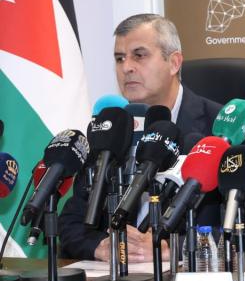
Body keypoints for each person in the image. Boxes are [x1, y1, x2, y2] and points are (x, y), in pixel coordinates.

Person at [59, 14, 222, 262]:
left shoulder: (217, 128)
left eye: (139, 55)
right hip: (117, 278)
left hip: (187, 278)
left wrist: (172, 248)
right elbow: (71, 221)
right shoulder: (110, 130)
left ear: (174, 63)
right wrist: (99, 247)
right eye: (119, 58)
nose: (126, 67)